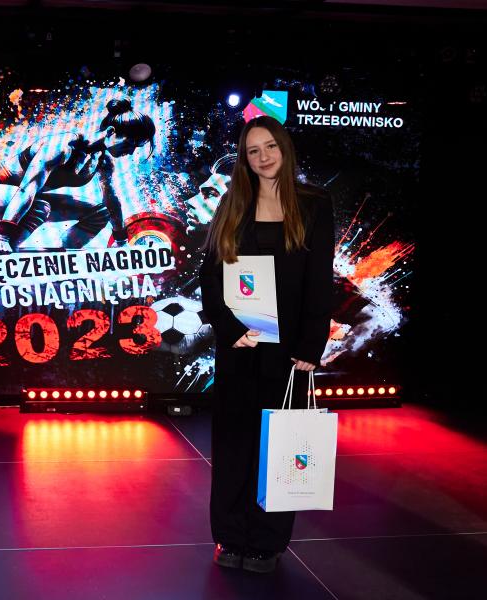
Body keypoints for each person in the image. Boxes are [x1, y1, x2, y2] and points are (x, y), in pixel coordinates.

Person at [199, 115, 335, 573]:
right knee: (234, 447)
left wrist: (312, 344)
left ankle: (267, 542)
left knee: (280, 450)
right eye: (253, 150)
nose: (263, 157)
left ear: (284, 148)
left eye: (270, 147)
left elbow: (320, 279)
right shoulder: (233, 203)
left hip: (290, 351)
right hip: (242, 344)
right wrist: (227, 329)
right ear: (245, 158)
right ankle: (230, 537)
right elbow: (211, 274)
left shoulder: (314, 204)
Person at [0, 98, 156, 254]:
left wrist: (121, 241)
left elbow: (111, 202)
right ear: (111, 132)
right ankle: (4, 249)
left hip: (24, 198)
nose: (131, 151)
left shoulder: (103, 162)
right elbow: (27, 188)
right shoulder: (62, 147)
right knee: (40, 206)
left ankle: (63, 253)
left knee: (100, 212)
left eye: (136, 147)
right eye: (130, 143)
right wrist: (2, 236)